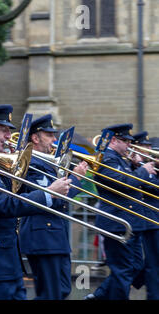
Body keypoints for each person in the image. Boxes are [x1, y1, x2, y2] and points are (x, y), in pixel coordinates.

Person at [0, 105, 72, 300]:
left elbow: (17, 193)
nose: (8, 136)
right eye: (4, 129)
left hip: (8, 261)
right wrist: (48, 193)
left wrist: (19, 166)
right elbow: (1, 204)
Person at [18, 114, 88, 300]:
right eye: (49, 135)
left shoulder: (47, 163)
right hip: (42, 237)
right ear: (35, 137)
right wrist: (76, 178)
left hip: (55, 237)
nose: (54, 140)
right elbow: (52, 199)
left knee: (62, 290)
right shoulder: (31, 163)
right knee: (51, 293)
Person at [84, 124, 156, 300]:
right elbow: (122, 184)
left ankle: (99, 296)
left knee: (135, 266)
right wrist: (142, 170)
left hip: (131, 223)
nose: (129, 146)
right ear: (113, 140)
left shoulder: (121, 159)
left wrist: (134, 166)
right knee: (122, 271)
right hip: (118, 223)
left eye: (130, 141)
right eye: (125, 141)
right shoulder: (107, 158)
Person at [129, 131, 159, 300]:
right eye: (145, 146)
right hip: (148, 219)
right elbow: (150, 187)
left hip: (153, 218)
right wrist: (140, 168)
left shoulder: (150, 165)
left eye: (149, 147)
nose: (148, 150)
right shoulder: (134, 166)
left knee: (151, 263)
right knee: (153, 264)